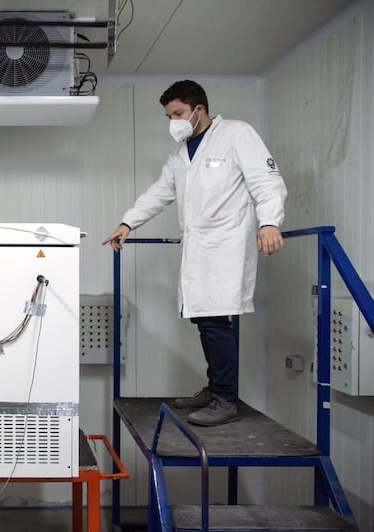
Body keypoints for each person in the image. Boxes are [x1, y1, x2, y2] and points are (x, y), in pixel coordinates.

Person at [102, 80, 287, 427]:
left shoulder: (236, 134)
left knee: (218, 321)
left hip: (226, 245)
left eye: (178, 113)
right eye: (169, 115)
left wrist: (269, 223)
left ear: (198, 110)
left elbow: (266, 180)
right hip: (198, 248)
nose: (173, 121)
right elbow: (160, 192)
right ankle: (215, 388)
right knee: (204, 319)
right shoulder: (180, 154)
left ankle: (225, 399)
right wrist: (128, 223)